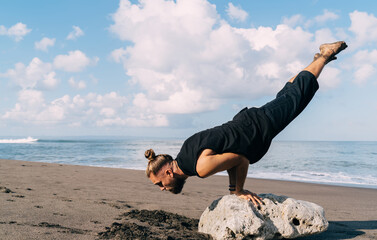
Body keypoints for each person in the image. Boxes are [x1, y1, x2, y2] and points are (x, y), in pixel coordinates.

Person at [145, 41, 347, 206]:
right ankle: (318, 59)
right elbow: (229, 156)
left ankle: (325, 55)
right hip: (249, 122)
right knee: (288, 94)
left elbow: (239, 159)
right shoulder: (187, 149)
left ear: (168, 172)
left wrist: (238, 190)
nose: (163, 188)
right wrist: (234, 189)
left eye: (160, 184)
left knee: (296, 97)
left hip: (259, 126)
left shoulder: (201, 168)